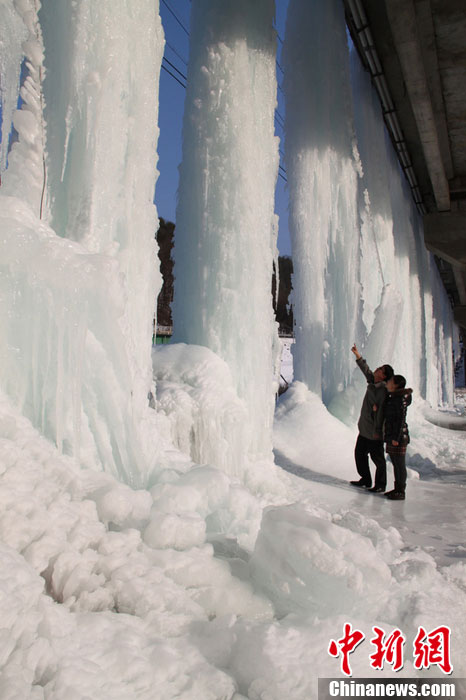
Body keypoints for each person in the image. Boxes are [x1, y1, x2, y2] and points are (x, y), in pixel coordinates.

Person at [350, 344, 394, 492]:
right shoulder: (373, 382)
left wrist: (377, 418)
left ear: (384, 376)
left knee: (378, 460)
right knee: (359, 455)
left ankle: (380, 485)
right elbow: (366, 371)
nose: (377, 369)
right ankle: (366, 479)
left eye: (381, 369)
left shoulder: (384, 390)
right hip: (365, 430)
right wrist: (358, 355)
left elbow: (384, 411)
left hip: (375, 432)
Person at [383, 374, 412, 500]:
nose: (387, 382)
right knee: (396, 463)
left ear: (395, 385)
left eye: (389, 381)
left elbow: (400, 420)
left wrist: (396, 437)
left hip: (399, 437)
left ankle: (401, 491)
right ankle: (397, 489)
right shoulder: (394, 397)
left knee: (399, 464)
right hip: (394, 436)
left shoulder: (399, 399)